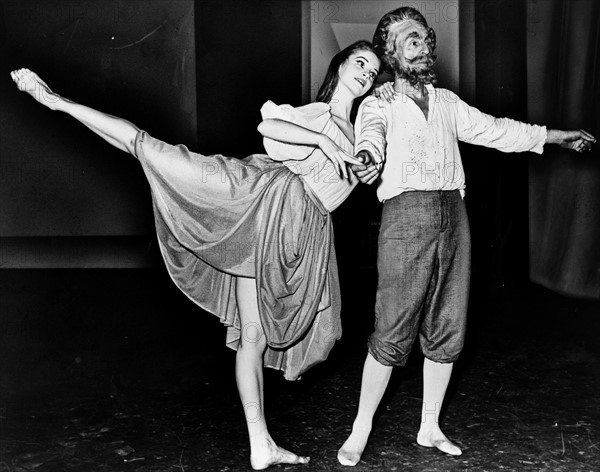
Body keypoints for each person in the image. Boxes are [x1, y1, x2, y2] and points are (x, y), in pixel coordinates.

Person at [11, 40, 381, 471]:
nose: (366, 75)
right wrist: (324, 141)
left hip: (300, 234)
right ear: (339, 66)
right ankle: (56, 101)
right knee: (150, 148)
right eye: (360, 63)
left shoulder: (359, 134)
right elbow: (271, 128)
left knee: (259, 338)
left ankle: (260, 443)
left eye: (373, 73)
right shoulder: (318, 115)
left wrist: (364, 166)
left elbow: (349, 180)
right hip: (261, 202)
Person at [337, 7, 596, 467]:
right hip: (405, 216)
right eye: (406, 36)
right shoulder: (378, 105)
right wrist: (366, 157)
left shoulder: (448, 104)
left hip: (454, 216)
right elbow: (370, 139)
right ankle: (360, 430)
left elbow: (499, 130)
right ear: (390, 52)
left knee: (448, 325)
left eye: (422, 34)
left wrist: (556, 136)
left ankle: (429, 427)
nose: (419, 40)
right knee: (392, 327)